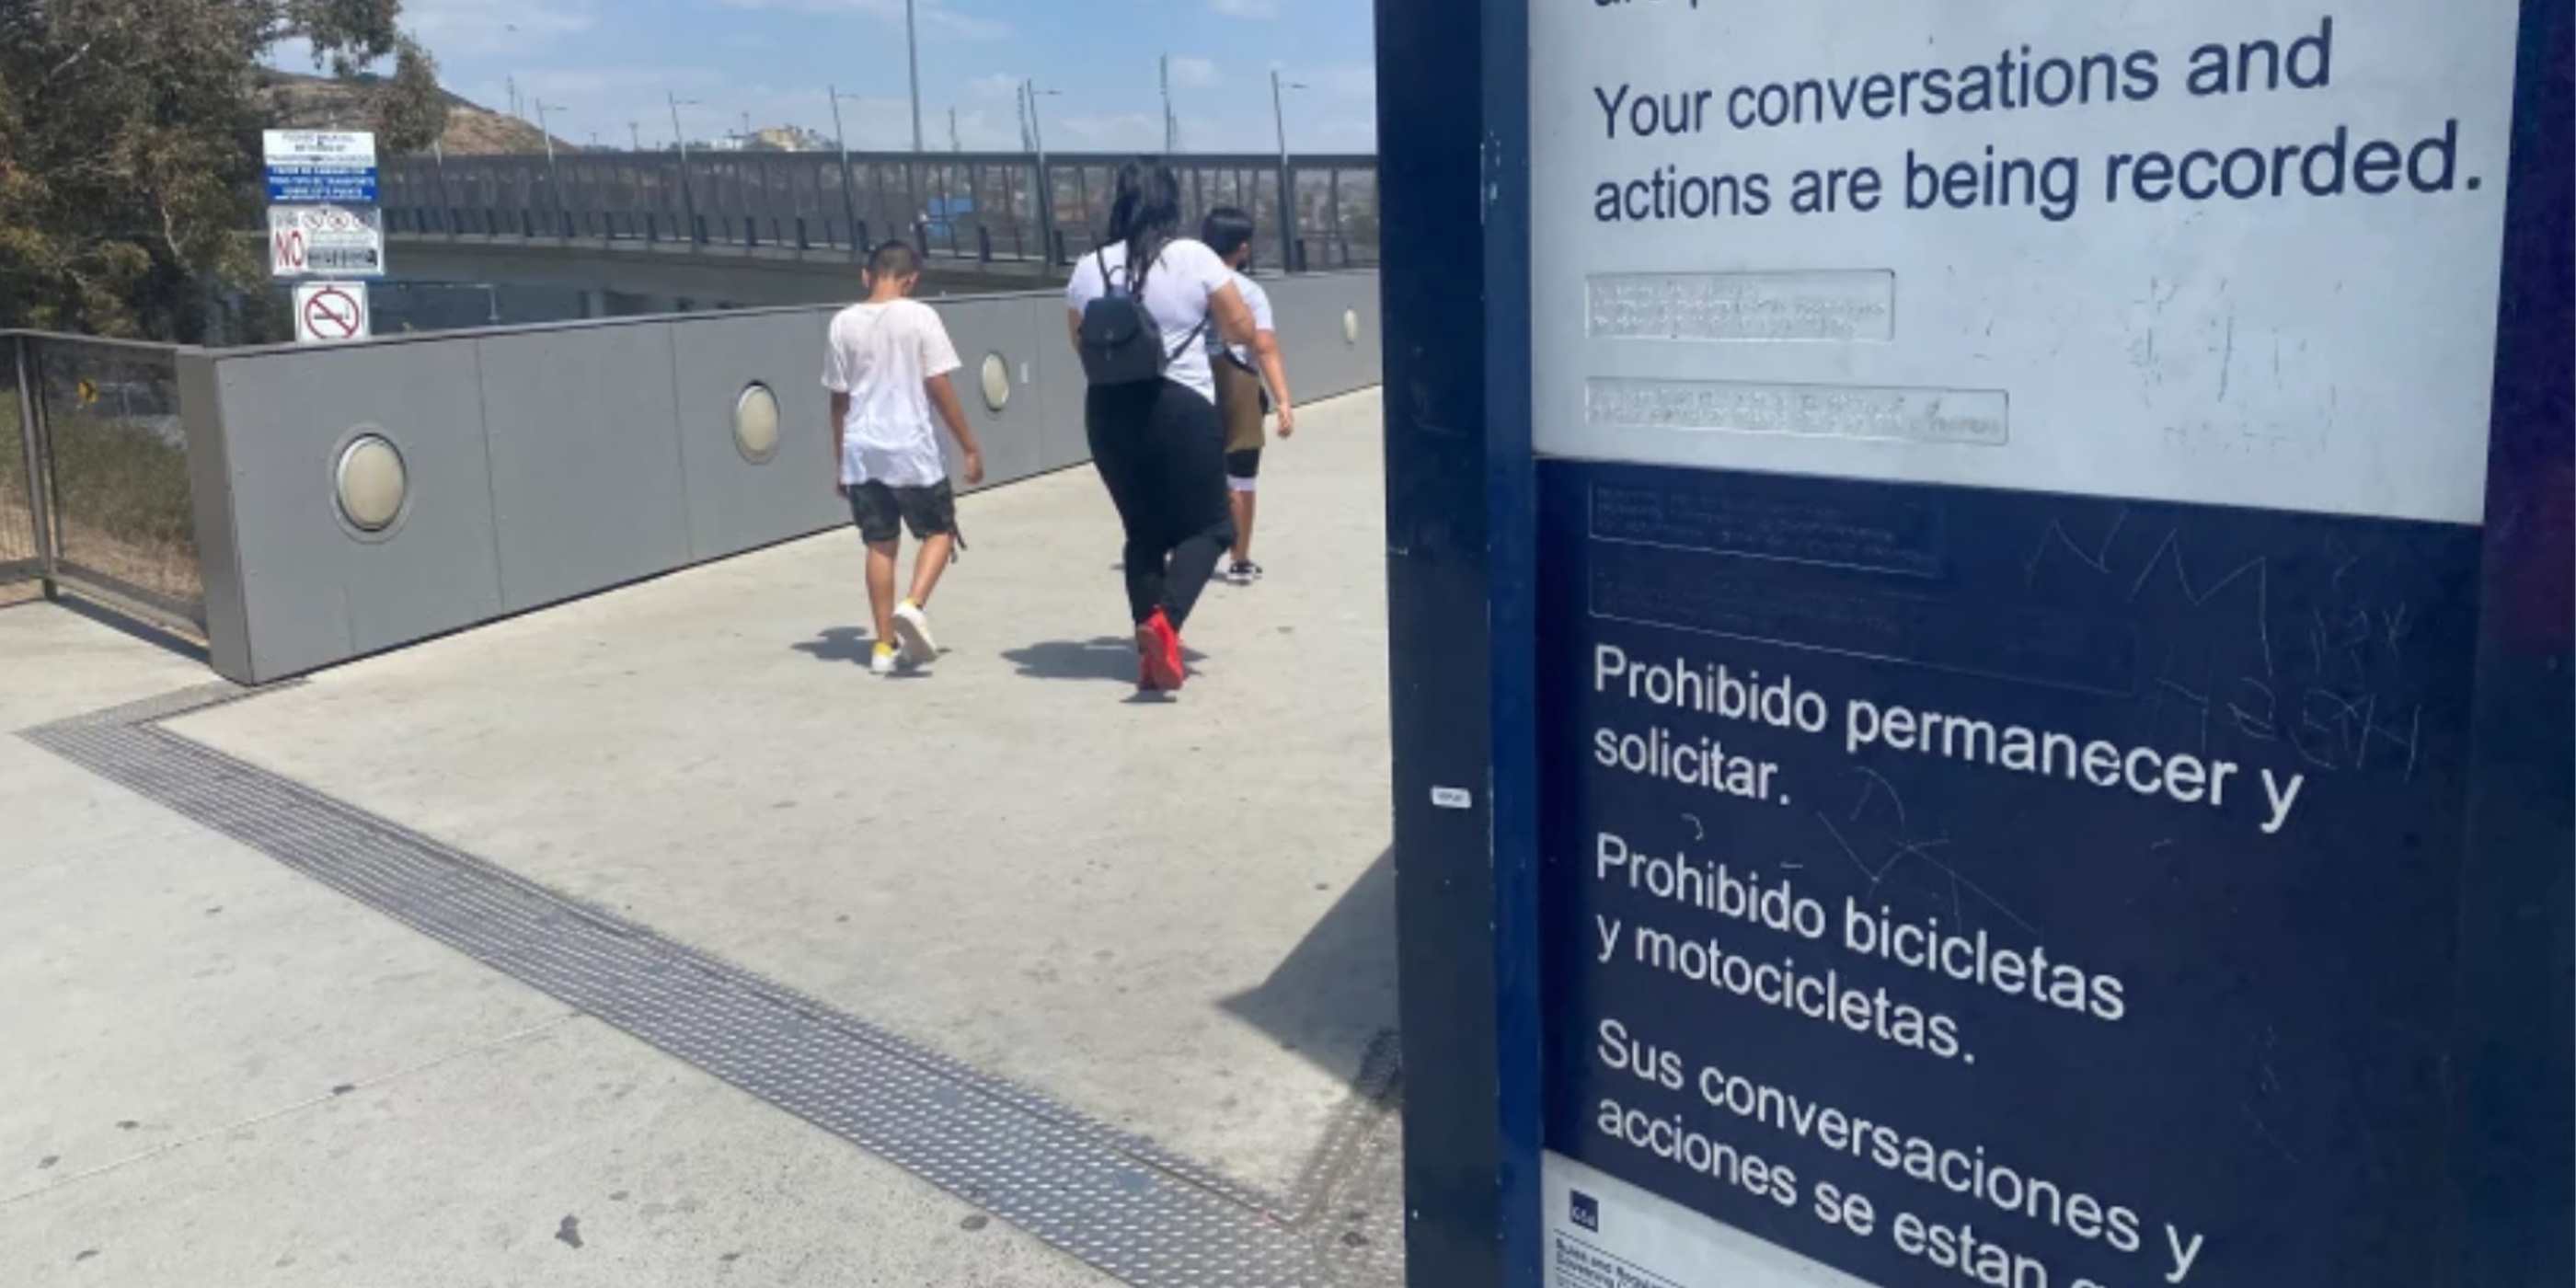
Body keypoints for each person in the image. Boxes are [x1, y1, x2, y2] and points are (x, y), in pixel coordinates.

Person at [1065, 159, 1258, 693]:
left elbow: (1077, 340)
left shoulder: (1091, 267)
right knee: (1215, 526)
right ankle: (1164, 623)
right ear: (1170, 203)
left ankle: (1152, 660)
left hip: (1107, 410)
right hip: (1179, 406)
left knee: (1143, 534)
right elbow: (1241, 328)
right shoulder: (1192, 256)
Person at [823, 239, 985, 676]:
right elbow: (939, 386)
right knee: (939, 530)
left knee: (880, 545)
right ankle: (912, 606)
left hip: (862, 450)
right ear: (911, 280)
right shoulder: (921, 317)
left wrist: (840, 460)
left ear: (866, 275)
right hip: (910, 449)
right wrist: (969, 445)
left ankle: (881, 646)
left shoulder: (841, 324)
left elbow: (838, 401)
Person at [1198, 206, 1295, 584]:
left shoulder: (1185, 281)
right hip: (1236, 384)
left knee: (1196, 472)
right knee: (1241, 475)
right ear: (1242, 249)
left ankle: (1189, 550)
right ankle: (1239, 560)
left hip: (1189, 383)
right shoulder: (1249, 292)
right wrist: (1284, 400)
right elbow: (1265, 348)